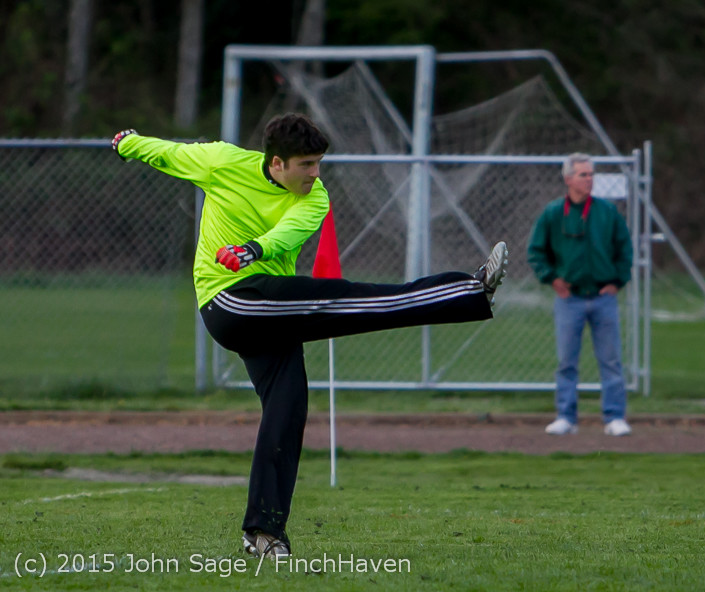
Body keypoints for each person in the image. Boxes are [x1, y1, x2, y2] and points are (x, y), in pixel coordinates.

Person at [112, 113, 508, 558]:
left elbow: (287, 234)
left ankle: (263, 534)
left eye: (319, 163)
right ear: (277, 163)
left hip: (269, 310)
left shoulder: (315, 197)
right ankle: (469, 291)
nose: (316, 173)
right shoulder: (222, 161)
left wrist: (253, 249)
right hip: (232, 301)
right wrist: (128, 143)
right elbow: (166, 153)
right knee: (353, 299)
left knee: (287, 412)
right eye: (306, 164)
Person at [527, 153, 633, 437]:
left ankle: (614, 416)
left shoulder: (606, 212)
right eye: (583, 175)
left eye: (591, 174)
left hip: (603, 297)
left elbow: (624, 249)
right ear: (568, 179)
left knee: (611, 361)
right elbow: (536, 251)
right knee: (566, 362)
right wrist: (552, 278)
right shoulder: (553, 213)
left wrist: (618, 280)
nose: (589, 179)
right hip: (569, 299)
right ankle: (566, 416)